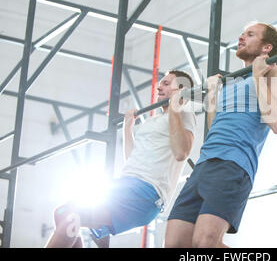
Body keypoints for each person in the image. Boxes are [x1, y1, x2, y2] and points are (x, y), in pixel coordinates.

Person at [164, 22, 277, 248]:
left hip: (233, 164)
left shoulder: (271, 71)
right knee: (175, 244)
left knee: (205, 243)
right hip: (204, 164)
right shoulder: (231, 83)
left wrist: (258, 76)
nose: (241, 38)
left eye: (250, 35)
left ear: (266, 47)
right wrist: (212, 95)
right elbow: (215, 128)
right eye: (242, 34)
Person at [45, 70, 197, 248]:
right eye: (160, 83)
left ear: (181, 90)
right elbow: (132, 162)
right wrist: (128, 127)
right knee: (62, 214)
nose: (159, 86)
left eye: (166, 83)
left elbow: (182, 152)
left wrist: (175, 107)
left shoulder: (184, 114)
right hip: (129, 184)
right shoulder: (153, 121)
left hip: (147, 193)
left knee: (70, 214)